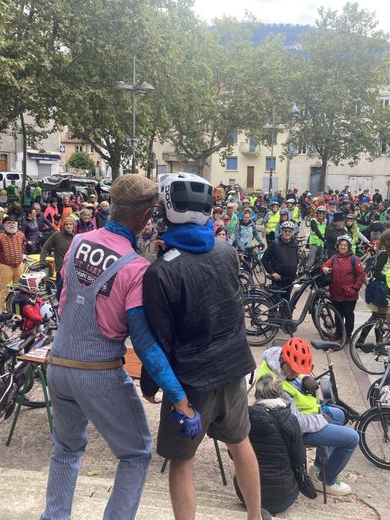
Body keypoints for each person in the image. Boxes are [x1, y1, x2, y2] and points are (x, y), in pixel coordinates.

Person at [40, 174, 197, 520]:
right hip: (98, 372)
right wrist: (178, 397)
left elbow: (65, 301)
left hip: (58, 364)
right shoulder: (136, 268)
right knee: (136, 452)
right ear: (143, 217)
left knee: (65, 448)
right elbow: (143, 343)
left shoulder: (78, 242)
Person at [142, 172, 265, 520]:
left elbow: (159, 339)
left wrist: (151, 384)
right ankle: (255, 516)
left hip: (190, 382)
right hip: (233, 368)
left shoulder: (160, 273)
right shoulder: (226, 251)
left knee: (182, 462)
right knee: (241, 443)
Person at [257, 339, 359, 496]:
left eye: (298, 370)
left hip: (305, 413)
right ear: (283, 359)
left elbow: (299, 368)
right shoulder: (274, 385)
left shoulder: (277, 355)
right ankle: (327, 479)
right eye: (292, 369)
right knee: (352, 438)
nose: (294, 373)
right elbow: (294, 422)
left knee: (339, 415)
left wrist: (304, 377)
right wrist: (322, 419)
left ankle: (318, 467)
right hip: (293, 430)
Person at [237, 374, 309, 515]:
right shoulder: (290, 419)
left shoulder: (246, 416)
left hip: (246, 497)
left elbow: (235, 454)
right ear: (279, 391)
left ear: (257, 392)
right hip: (284, 498)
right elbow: (299, 459)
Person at [322, 235, 365, 340]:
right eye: (341, 245)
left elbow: (361, 275)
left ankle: (347, 335)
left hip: (349, 294)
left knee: (348, 315)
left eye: (345, 245)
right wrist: (325, 269)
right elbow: (324, 266)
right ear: (338, 246)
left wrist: (355, 288)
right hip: (336, 292)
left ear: (348, 247)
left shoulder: (354, 259)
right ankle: (338, 333)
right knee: (338, 315)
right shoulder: (334, 258)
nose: (343, 247)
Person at [0, 215, 26, 311]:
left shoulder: (21, 235)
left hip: (19, 265)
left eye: (13, 223)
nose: (11, 225)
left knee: (20, 288)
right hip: (5, 266)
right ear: (4, 225)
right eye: (9, 223)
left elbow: (23, 247)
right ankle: (4, 311)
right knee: (5, 290)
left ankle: (17, 309)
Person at [262, 220, 298, 302]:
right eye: (285, 231)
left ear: (292, 232)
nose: (287, 233)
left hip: (289, 280)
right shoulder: (275, 243)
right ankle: (272, 315)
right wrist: (272, 272)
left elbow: (296, 258)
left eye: (290, 231)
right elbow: (264, 259)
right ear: (282, 231)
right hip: (278, 281)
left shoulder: (294, 244)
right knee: (274, 303)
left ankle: (283, 315)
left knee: (285, 303)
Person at [40, 216, 74, 299]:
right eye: (66, 224)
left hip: (72, 270)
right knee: (60, 293)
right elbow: (45, 247)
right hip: (61, 269)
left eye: (71, 224)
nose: (69, 226)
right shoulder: (57, 235)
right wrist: (42, 261)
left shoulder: (75, 237)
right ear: (63, 226)